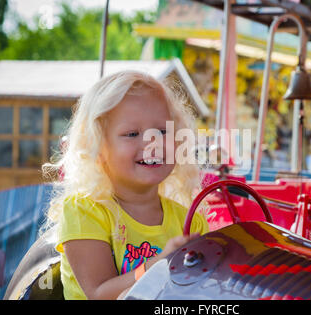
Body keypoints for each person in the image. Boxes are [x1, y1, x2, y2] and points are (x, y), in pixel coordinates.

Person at [42, 71, 209, 300]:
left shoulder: (190, 222)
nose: (153, 142)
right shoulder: (85, 211)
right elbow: (100, 294)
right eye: (132, 133)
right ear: (98, 147)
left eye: (162, 131)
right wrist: (159, 264)